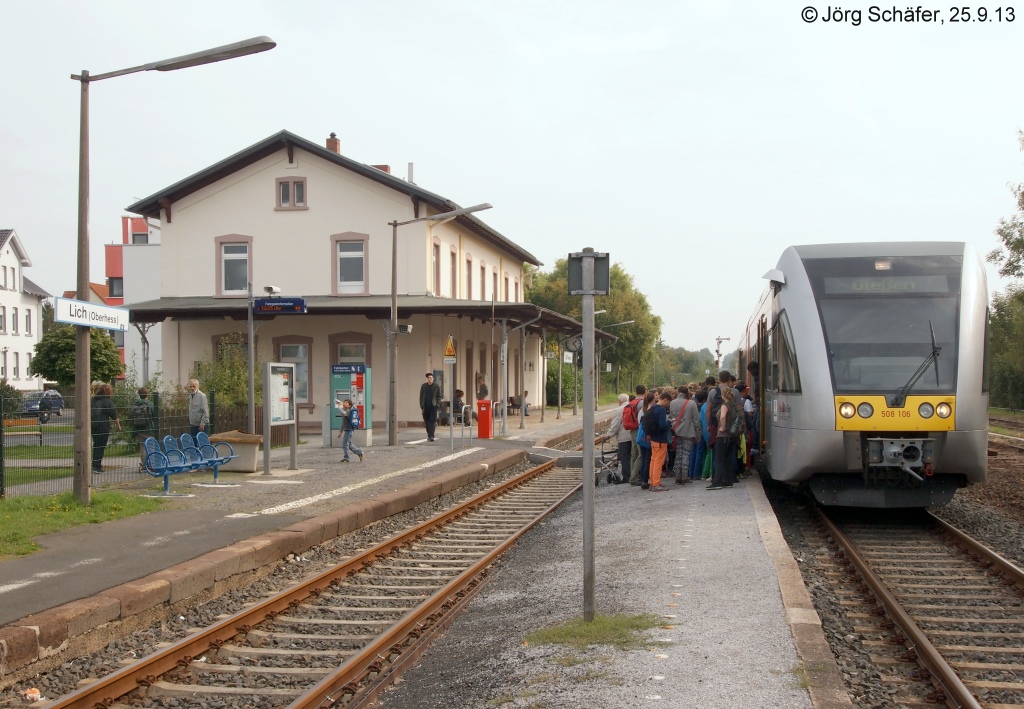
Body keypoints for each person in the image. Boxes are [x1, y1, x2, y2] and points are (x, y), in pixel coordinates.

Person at [708, 386, 739, 490]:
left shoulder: (724, 405)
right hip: (733, 435)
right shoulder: (734, 405)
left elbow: (722, 416)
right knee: (728, 459)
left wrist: (722, 427)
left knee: (719, 459)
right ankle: (728, 480)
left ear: (722, 395)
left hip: (723, 435)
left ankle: (717, 482)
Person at [598, 393, 633, 484]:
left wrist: (608, 435)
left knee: (625, 458)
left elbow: (615, 425)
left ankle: (627, 477)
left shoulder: (619, 410)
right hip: (633, 435)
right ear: (628, 400)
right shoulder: (632, 407)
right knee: (633, 457)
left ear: (619, 402)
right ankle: (634, 475)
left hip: (623, 437)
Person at [90, 383, 121, 474]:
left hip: (93, 425)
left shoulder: (93, 400)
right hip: (103, 426)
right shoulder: (107, 401)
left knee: (96, 445)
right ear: (108, 392)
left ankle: (95, 465)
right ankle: (97, 466)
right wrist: (118, 426)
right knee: (101, 446)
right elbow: (114, 415)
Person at [672, 386, 700, 484]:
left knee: (678, 454)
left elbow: (672, 418)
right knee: (686, 454)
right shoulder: (691, 403)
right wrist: (698, 433)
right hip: (689, 431)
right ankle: (684, 476)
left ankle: (677, 476)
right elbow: (696, 420)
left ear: (678, 392)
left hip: (677, 432)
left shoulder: (672, 403)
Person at [645, 392, 672, 491]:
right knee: (659, 462)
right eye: (668, 402)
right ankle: (656, 484)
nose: (667, 404)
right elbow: (662, 425)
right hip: (661, 439)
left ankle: (652, 482)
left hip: (653, 438)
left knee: (653, 460)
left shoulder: (653, 407)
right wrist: (669, 422)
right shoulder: (661, 409)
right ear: (665, 399)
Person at [131, 387, 156, 470]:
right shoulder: (150, 404)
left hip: (138, 428)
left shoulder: (135, 404)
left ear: (139, 394)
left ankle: (144, 464)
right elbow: (154, 415)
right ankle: (152, 464)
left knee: (142, 447)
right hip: (149, 428)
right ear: (147, 394)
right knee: (151, 447)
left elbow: (131, 416)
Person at [336, 398, 364, 463]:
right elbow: (343, 423)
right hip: (347, 430)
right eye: (344, 402)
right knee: (349, 444)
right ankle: (359, 452)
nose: (344, 403)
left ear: (349, 405)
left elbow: (343, 412)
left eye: (346, 403)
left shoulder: (349, 412)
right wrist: (341, 431)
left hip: (349, 430)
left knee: (345, 444)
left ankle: (347, 458)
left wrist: (339, 406)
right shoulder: (346, 412)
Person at [629, 385, 646, 485]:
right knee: (641, 455)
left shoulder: (632, 402)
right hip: (639, 431)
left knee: (634, 455)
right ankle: (634, 477)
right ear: (645, 391)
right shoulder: (642, 403)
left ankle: (632, 475)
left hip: (632, 430)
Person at [420, 373, 442, 441]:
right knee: (427, 421)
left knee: (432, 421)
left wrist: (437, 405)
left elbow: (439, 396)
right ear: (427, 378)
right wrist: (421, 405)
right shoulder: (424, 386)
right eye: (428, 378)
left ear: (433, 378)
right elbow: (421, 396)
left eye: (431, 377)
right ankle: (429, 434)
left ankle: (431, 436)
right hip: (426, 406)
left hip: (433, 406)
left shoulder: (436, 386)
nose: (430, 379)